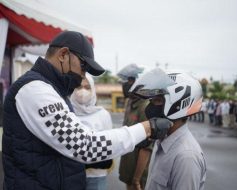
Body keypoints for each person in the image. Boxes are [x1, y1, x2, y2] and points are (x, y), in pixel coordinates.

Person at [2, 31, 172, 190]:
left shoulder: (51, 89)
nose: (83, 76)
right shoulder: (36, 90)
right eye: (83, 67)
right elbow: (86, 145)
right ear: (63, 55)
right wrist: (147, 128)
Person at [130, 68, 207, 190]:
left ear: (177, 104)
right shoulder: (162, 140)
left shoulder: (186, 157)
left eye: (158, 100)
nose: (149, 107)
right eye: (152, 100)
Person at [70, 73, 113, 190]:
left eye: (87, 87)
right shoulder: (67, 113)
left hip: (97, 176)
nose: (83, 91)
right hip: (71, 176)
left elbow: (109, 146)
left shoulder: (103, 115)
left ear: (93, 90)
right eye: (79, 87)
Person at [117, 64, 153, 190]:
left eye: (131, 80)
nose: (126, 84)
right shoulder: (130, 102)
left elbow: (146, 148)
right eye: (126, 80)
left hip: (138, 172)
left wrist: (137, 179)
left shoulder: (145, 107)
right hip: (128, 164)